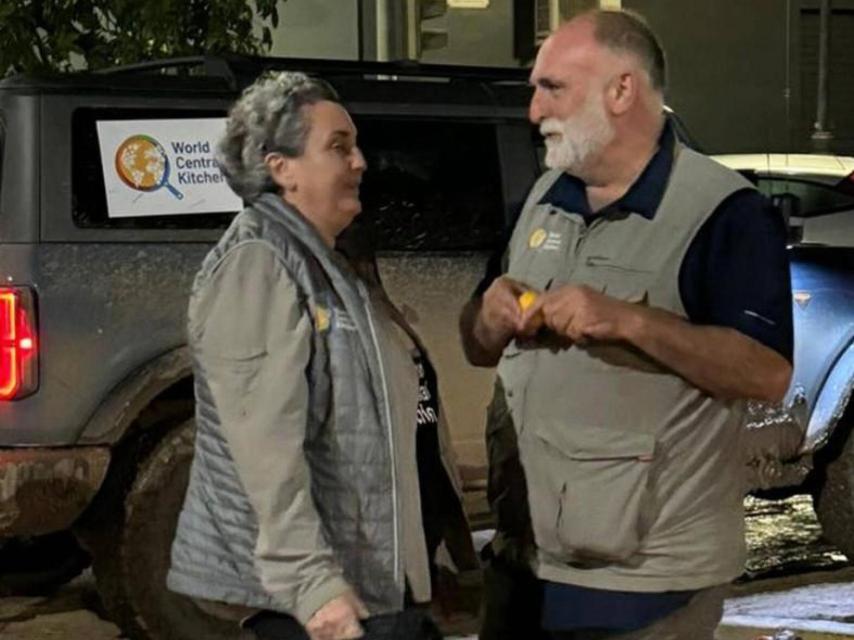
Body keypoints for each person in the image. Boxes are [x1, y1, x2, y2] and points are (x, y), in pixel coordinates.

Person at [460, 9, 794, 640]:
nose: (534, 110)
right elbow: (476, 346)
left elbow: (766, 373)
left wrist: (628, 321)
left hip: (646, 588)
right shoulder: (543, 200)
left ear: (621, 90)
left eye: (553, 88)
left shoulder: (723, 213)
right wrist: (489, 317)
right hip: (525, 567)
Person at [167, 71, 475, 640]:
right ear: (281, 167)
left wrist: (422, 559)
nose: (360, 162)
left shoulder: (326, 263)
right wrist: (312, 585)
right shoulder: (260, 262)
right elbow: (262, 450)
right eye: (338, 147)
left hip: (363, 583)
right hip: (313, 606)